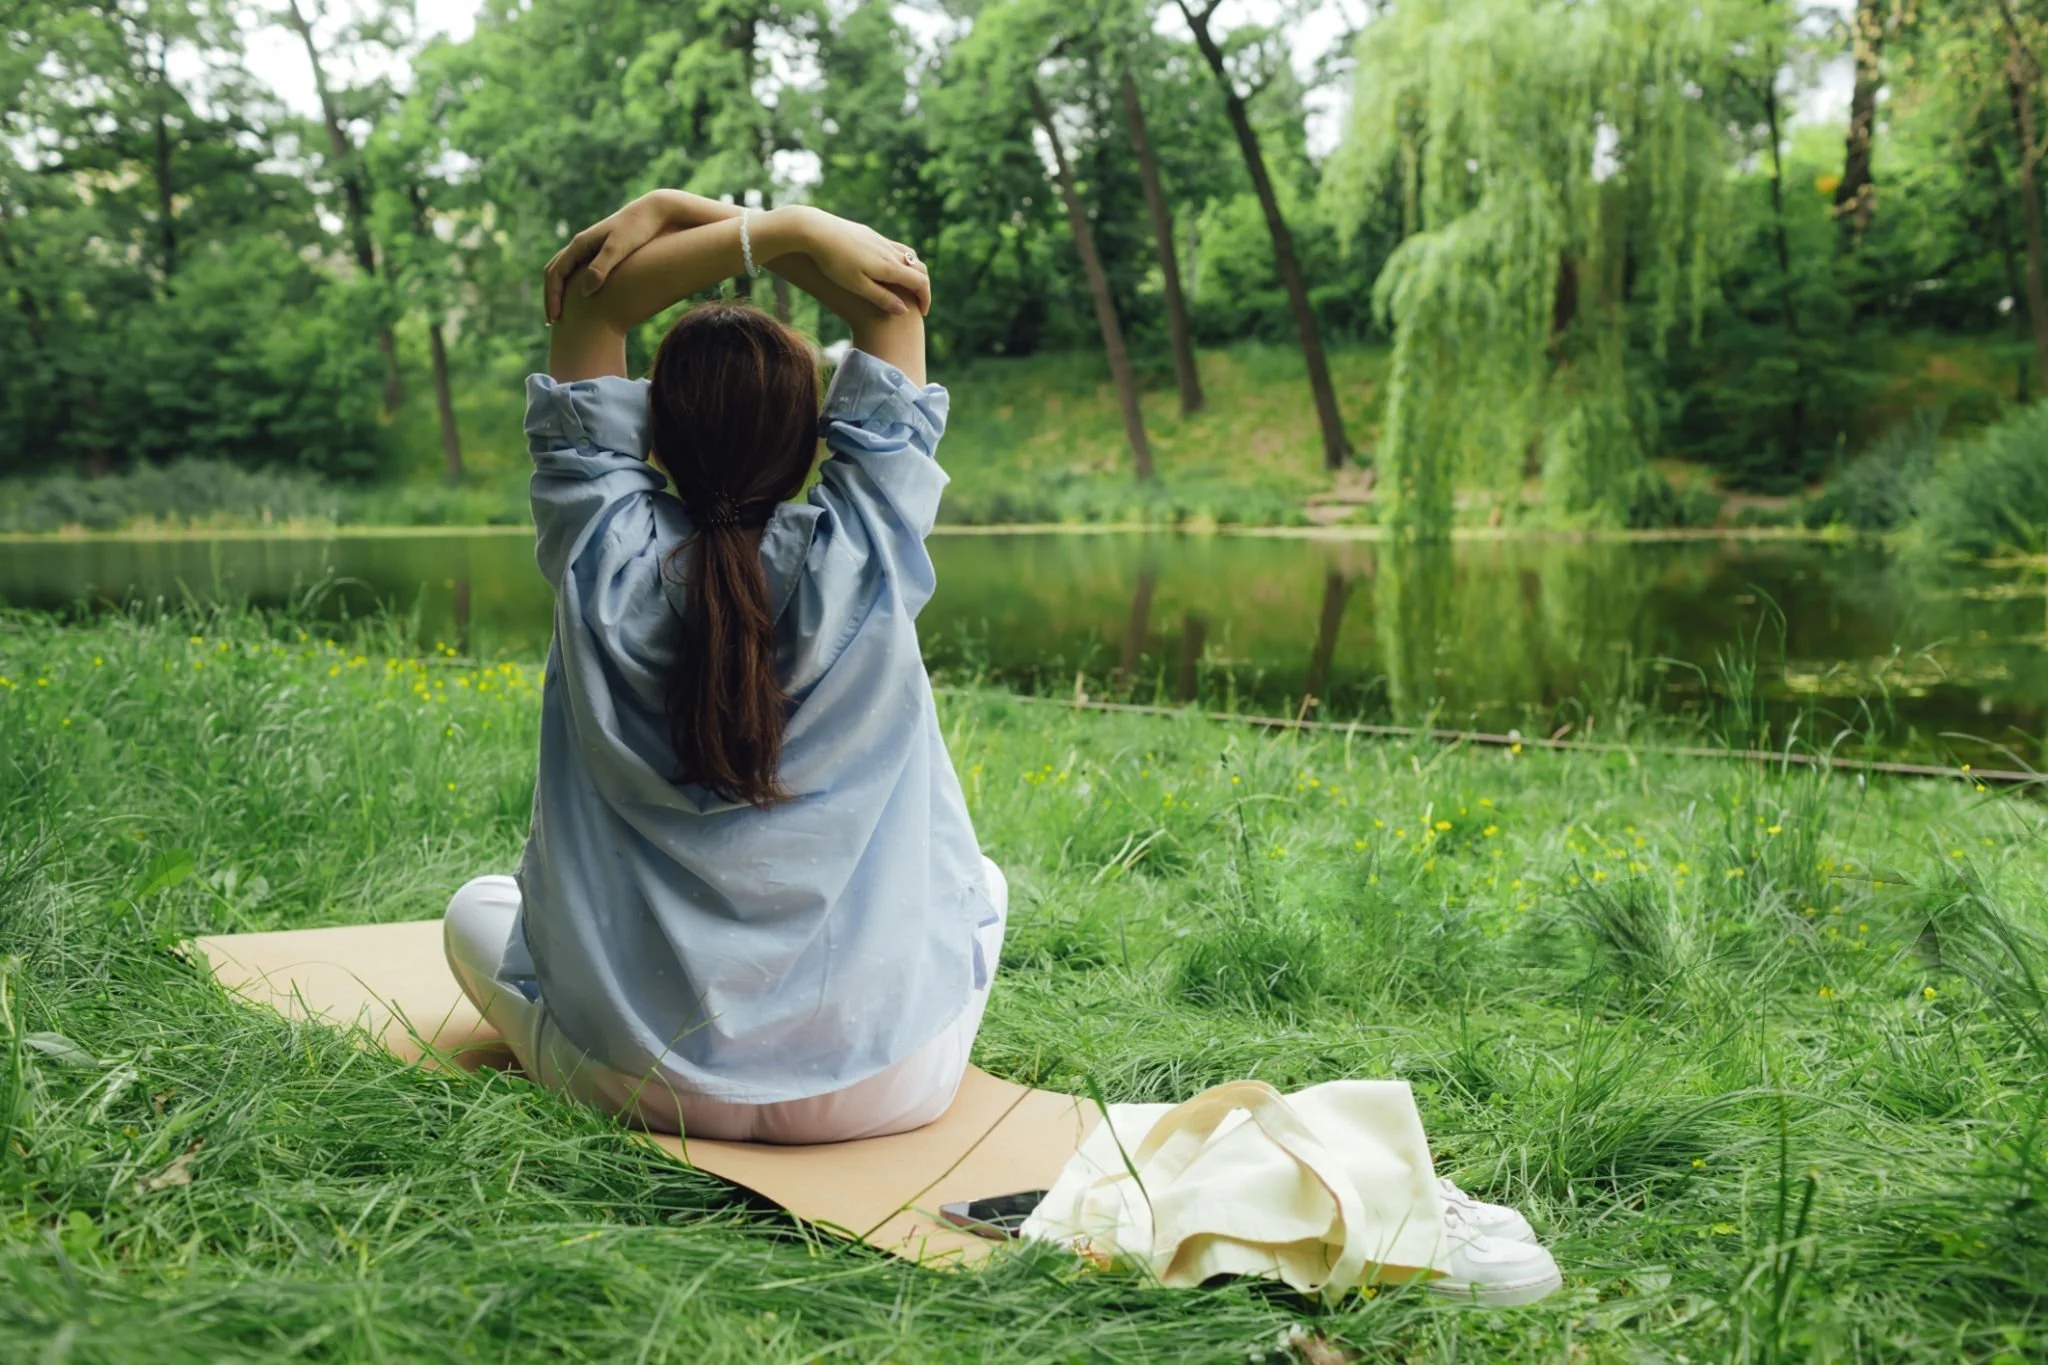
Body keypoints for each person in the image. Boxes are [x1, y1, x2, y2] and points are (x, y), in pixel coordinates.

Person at [443, 190, 1005, 1145]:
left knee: (475, 911)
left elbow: (594, 306)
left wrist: (694, 216)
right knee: (982, 883)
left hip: (631, 1075)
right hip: (886, 1079)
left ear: (651, 430)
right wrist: (787, 225)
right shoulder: (866, 546)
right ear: (813, 437)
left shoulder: (600, 554)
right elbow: (894, 302)